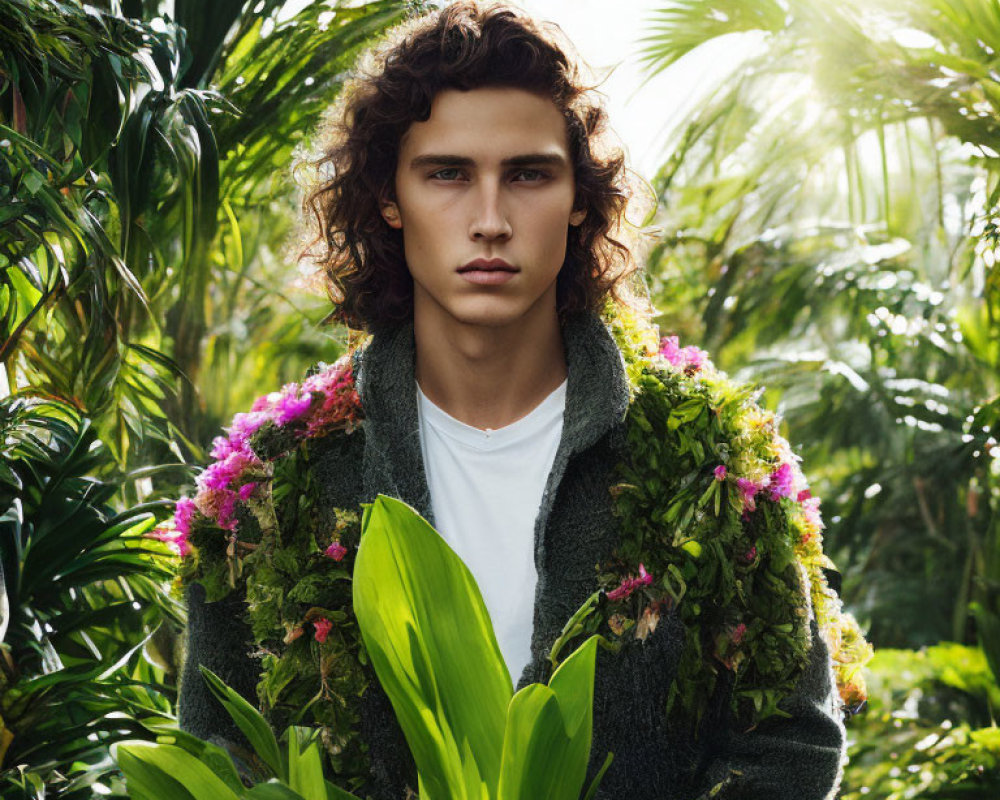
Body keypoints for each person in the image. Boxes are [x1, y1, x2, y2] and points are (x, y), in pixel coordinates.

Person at [172, 3, 864, 798]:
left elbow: (788, 744)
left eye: (529, 174)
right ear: (389, 200)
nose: (491, 221)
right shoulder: (271, 488)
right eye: (448, 174)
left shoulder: (710, 464)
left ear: (579, 199)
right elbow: (220, 759)